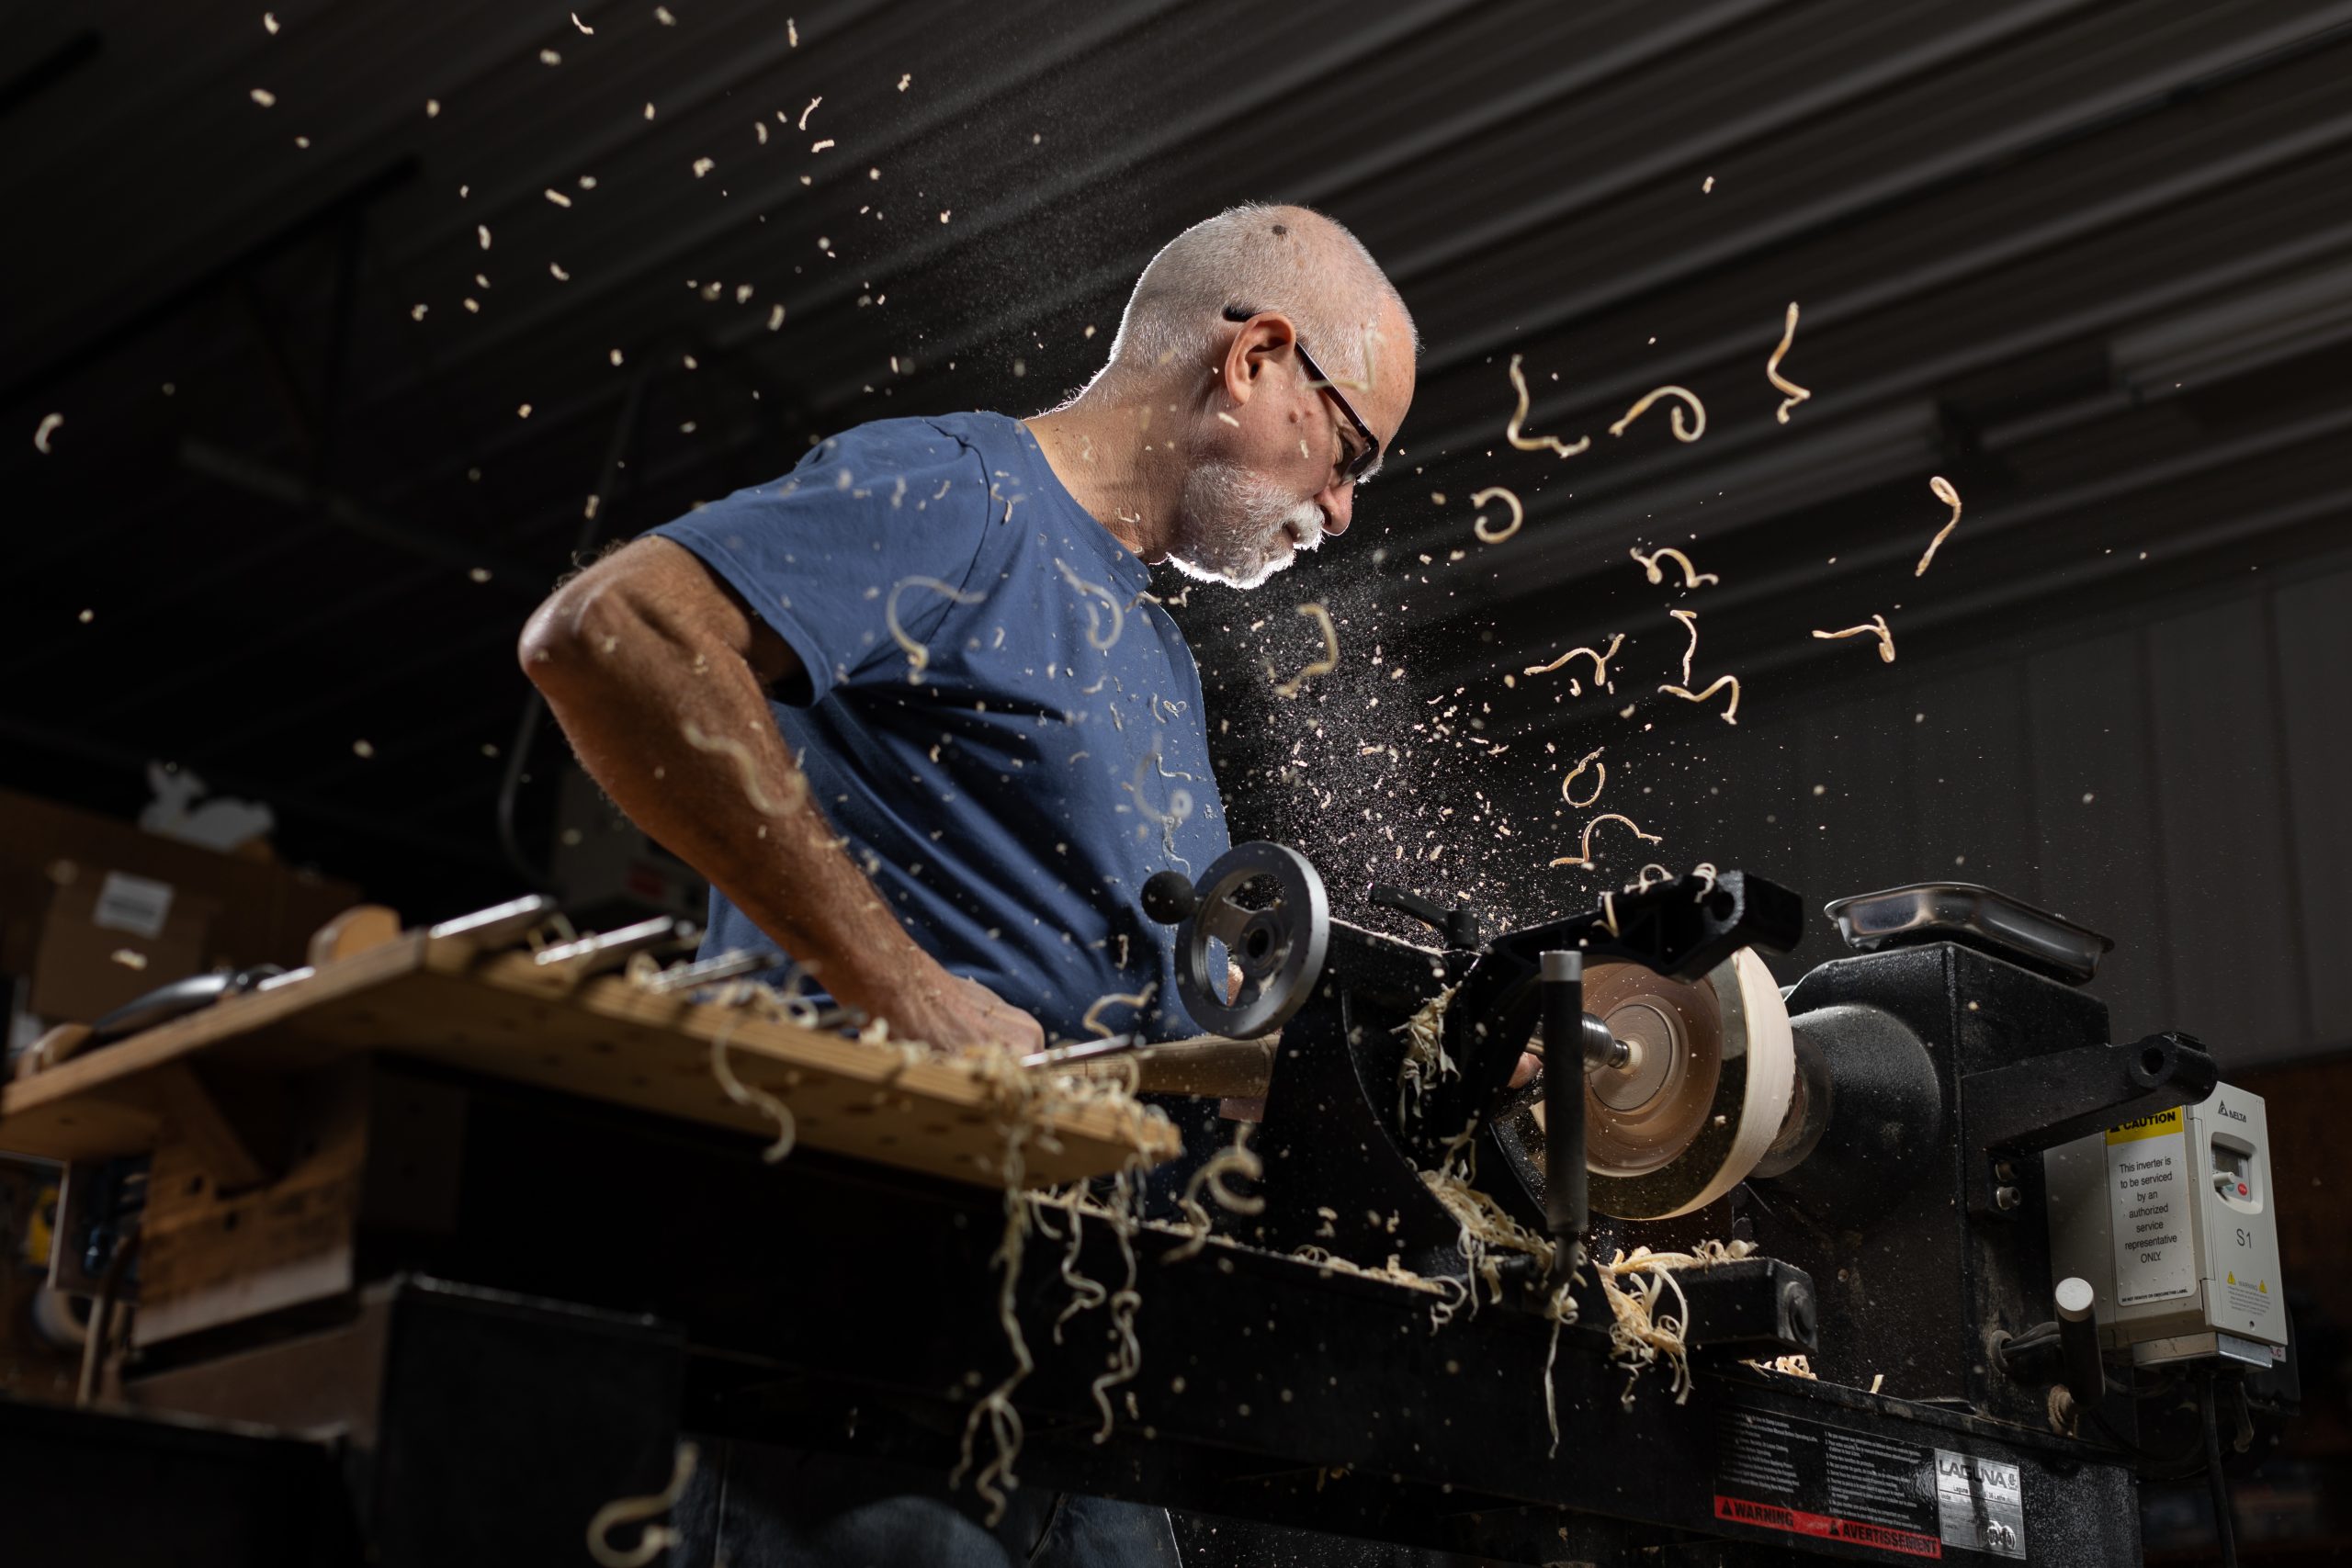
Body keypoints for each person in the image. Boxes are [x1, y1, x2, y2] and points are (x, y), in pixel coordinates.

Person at [519, 203, 1416, 1566]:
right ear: (1257, 361)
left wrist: (1340, 1059)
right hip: (863, 1359)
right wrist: (899, 988)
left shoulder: (1159, 659)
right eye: (1347, 453)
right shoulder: (966, 499)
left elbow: (1131, 1006)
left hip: (1079, 1381)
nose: (1340, 511)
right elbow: (614, 631)